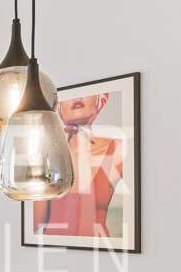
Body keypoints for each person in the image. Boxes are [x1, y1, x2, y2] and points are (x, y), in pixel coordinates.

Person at [32, 93, 123, 238]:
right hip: (53, 249)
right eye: (70, 96)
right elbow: (34, 223)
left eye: (86, 93)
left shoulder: (118, 149)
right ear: (58, 107)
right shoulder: (47, 154)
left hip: (99, 249)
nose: (77, 98)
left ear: (101, 101)